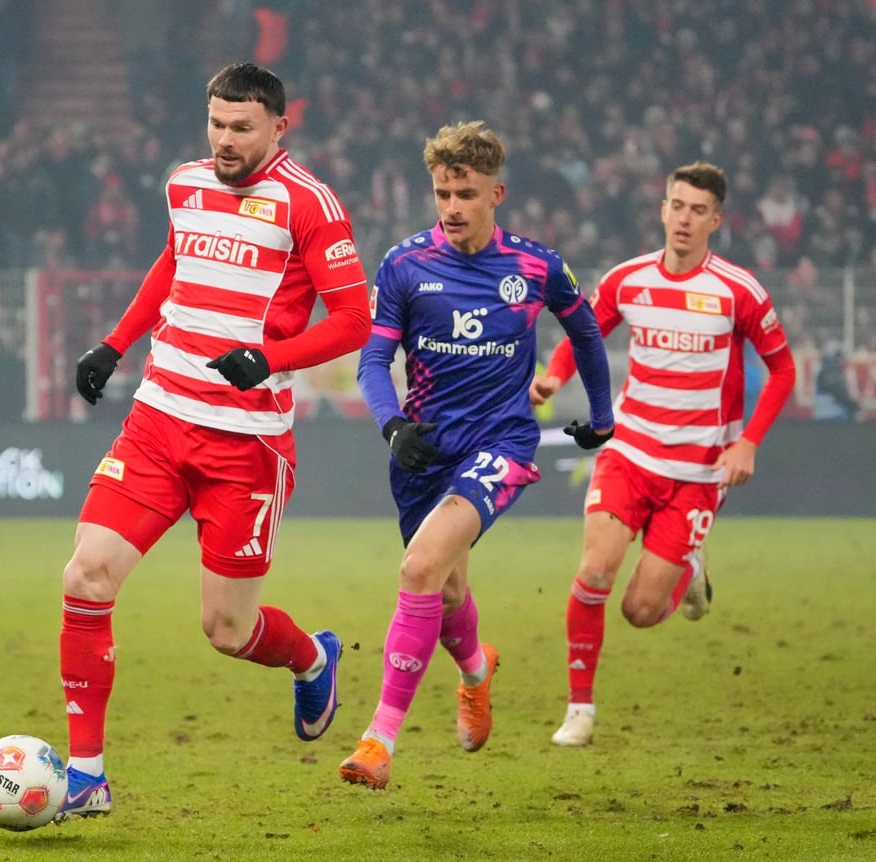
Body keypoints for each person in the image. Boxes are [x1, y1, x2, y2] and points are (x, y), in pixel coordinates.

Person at [56, 62, 371, 819]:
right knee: (85, 577)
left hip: (245, 446)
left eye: (241, 128)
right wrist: (116, 342)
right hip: (159, 420)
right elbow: (174, 262)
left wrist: (270, 358)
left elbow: (354, 320)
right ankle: (87, 774)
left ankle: (311, 656)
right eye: (216, 125)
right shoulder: (186, 183)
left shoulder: (311, 205)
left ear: (277, 127)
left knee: (227, 630)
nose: (225, 141)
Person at [339, 121, 615, 790]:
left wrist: (602, 415)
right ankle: (476, 671)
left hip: (500, 443)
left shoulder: (536, 266)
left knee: (420, 566)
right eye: (442, 193)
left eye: (465, 192)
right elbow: (375, 358)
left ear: (497, 192)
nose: (452, 206)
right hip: (422, 450)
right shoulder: (405, 264)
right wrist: (392, 425)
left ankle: (379, 742)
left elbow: (585, 327)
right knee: (447, 587)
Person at [530, 161, 797, 747]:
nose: (684, 218)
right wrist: (553, 376)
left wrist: (749, 441)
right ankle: (580, 709)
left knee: (641, 611)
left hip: (699, 472)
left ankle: (690, 569)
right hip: (628, 451)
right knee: (594, 571)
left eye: (698, 210)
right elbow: (586, 333)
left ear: (715, 221)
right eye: (677, 205)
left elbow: (783, 369)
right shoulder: (629, 279)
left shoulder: (738, 291)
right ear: (663, 209)